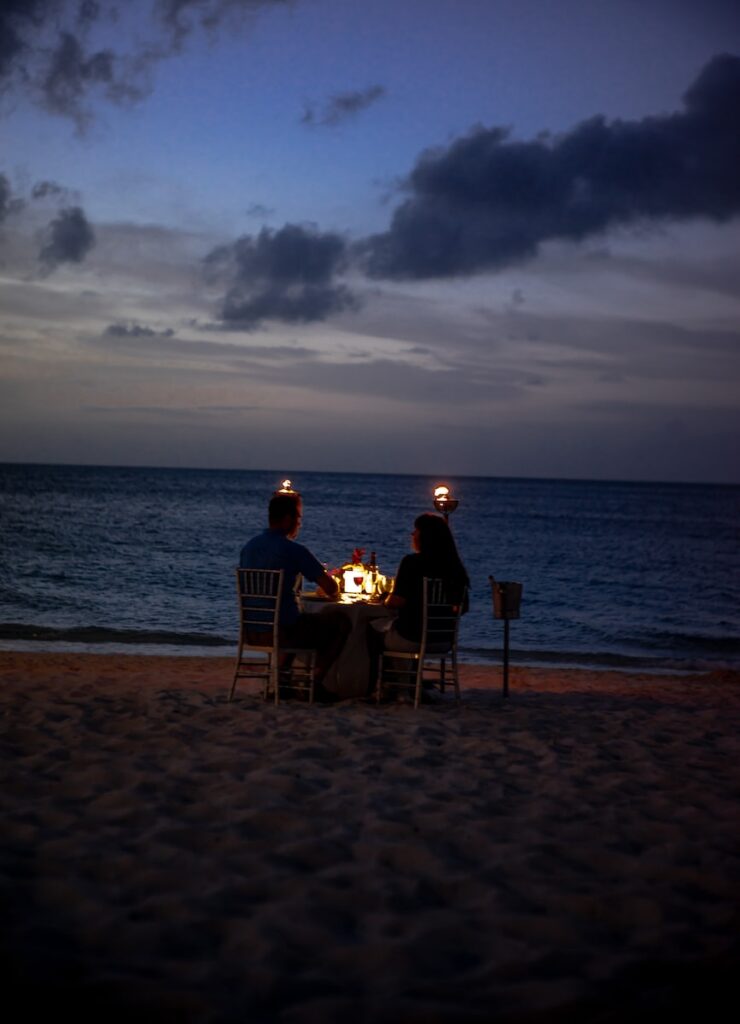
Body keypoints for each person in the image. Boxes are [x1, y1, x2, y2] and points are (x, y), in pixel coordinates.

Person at [240, 491, 350, 701]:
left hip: (252, 631)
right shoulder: (294, 550)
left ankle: (282, 683)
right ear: (289, 519)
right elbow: (330, 589)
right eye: (299, 519)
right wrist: (335, 579)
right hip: (282, 633)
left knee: (294, 618)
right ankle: (315, 682)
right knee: (340, 622)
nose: (299, 524)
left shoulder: (249, 547)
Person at [367, 512, 470, 696]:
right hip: (443, 641)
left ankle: (378, 687)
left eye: (416, 531)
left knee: (369, 631)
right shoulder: (455, 568)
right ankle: (413, 685)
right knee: (407, 627)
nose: (412, 535)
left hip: (412, 639)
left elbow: (397, 601)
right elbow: (463, 608)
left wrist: (385, 599)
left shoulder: (412, 563)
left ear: (424, 536)